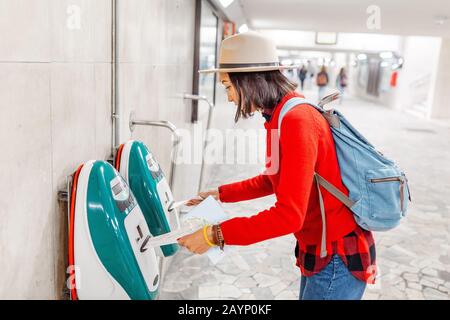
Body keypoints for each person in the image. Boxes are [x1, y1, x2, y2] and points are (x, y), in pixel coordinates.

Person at [177, 31, 376, 300]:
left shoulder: (297, 119)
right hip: (318, 247)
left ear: (248, 81)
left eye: (227, 86)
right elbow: (272, 179)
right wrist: (221, 194)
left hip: (337, 255)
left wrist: (216, 234)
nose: (229, 98)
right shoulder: (278, 115)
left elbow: (288, 216)